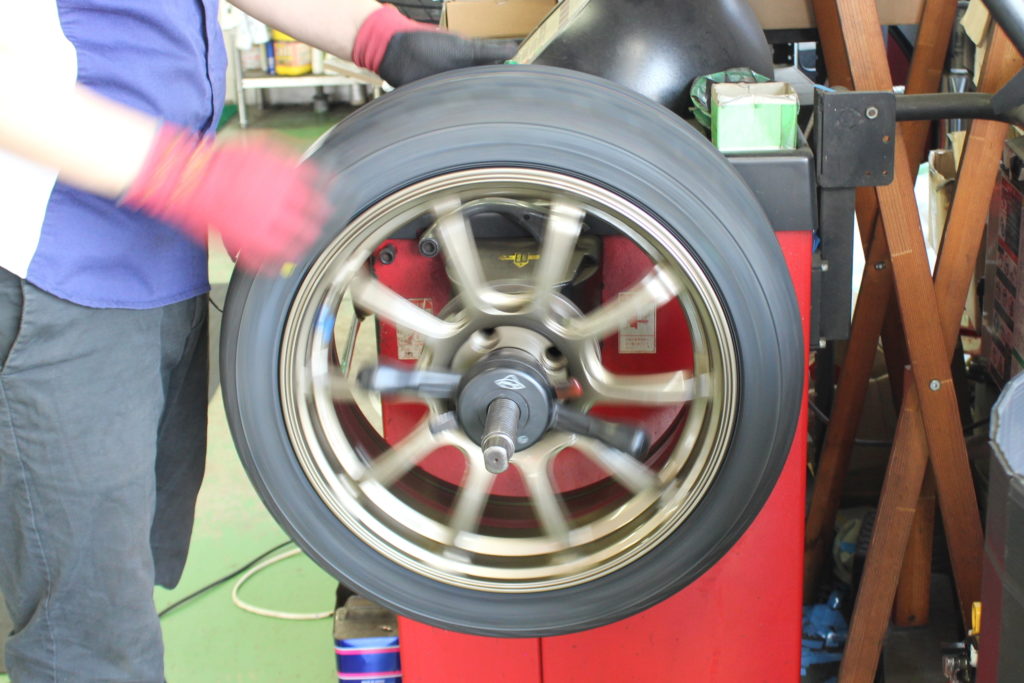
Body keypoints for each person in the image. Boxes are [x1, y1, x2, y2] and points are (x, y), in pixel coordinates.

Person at [0, 1, 515, 679]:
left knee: (118, 571)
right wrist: (184, 174)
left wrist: (376, 35)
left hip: (156, 246)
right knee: (85, 635)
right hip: (49, 262)